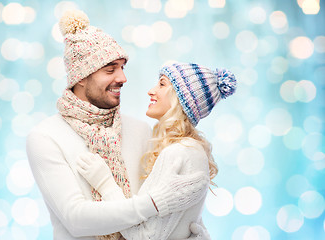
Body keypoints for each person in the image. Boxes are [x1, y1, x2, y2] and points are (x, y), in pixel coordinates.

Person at [26, 10, 208, 240]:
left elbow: (163, 221)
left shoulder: (141, 131)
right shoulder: (46, 137)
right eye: (110, 69)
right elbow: (76, 220)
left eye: (123, 67)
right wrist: (154, 203)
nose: (122, 78)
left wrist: (190, 232)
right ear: (80, 77)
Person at [76, 62, 237, 239]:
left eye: (162, 84)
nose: (151, 91)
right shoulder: (193, 151)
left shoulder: (177, 153)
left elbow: (144, 236)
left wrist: (104, 183)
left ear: (180, 98)